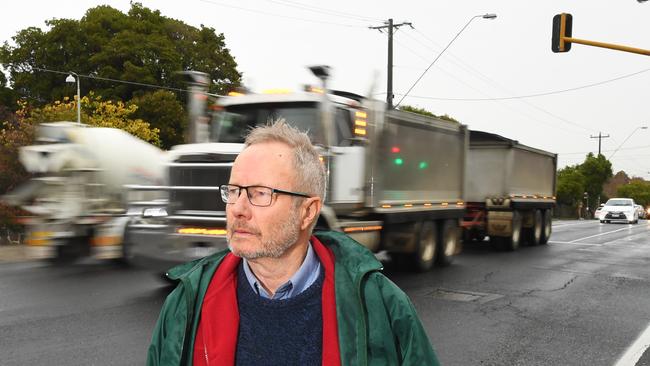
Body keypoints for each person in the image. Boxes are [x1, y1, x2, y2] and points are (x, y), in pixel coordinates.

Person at [146, 120, 440, 366]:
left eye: (260, 193)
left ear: (307, 211)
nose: (237, 208)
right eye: (234, 190)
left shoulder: (382, 307)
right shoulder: (186, 303)